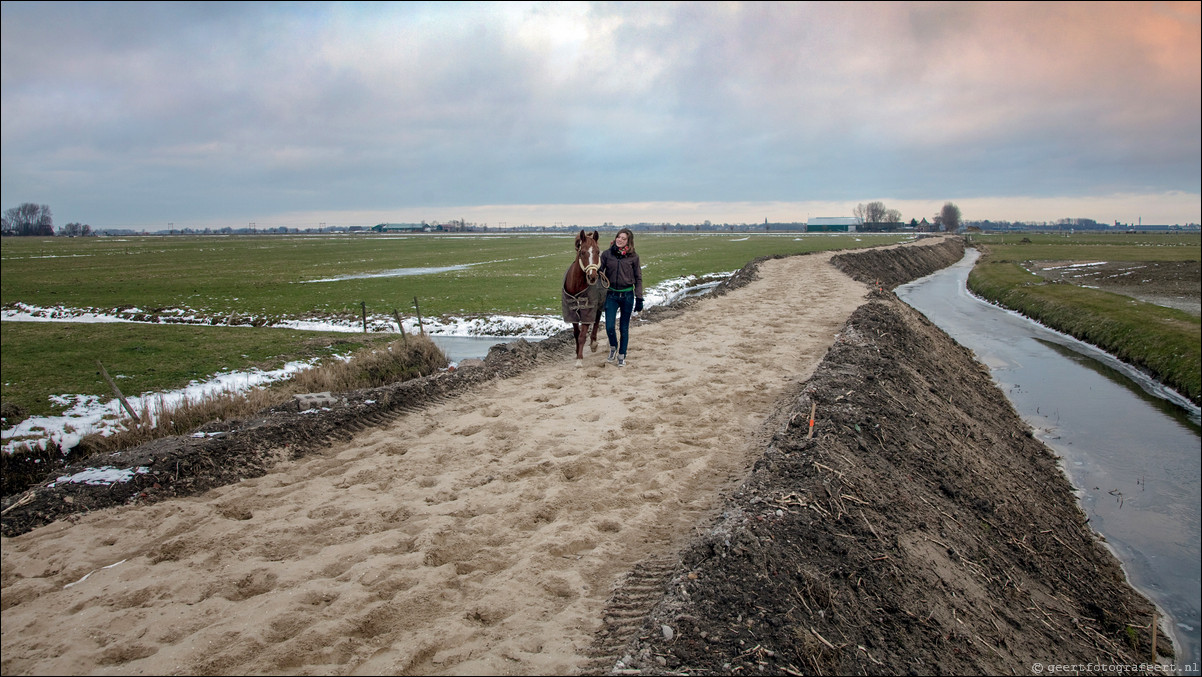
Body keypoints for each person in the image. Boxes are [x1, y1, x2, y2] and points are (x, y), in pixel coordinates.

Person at [598, 227, 643, 367]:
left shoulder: (634, 257)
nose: (620, 240)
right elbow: (599, 271)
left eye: (624, 239)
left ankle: (622, 356)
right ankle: (613, 347)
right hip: (611, 295)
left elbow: (638, 278)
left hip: (627, 296)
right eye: (619, 237)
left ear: (628, 242)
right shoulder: (606, 254)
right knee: (610, 327)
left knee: (624, 328)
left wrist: (639, 298)